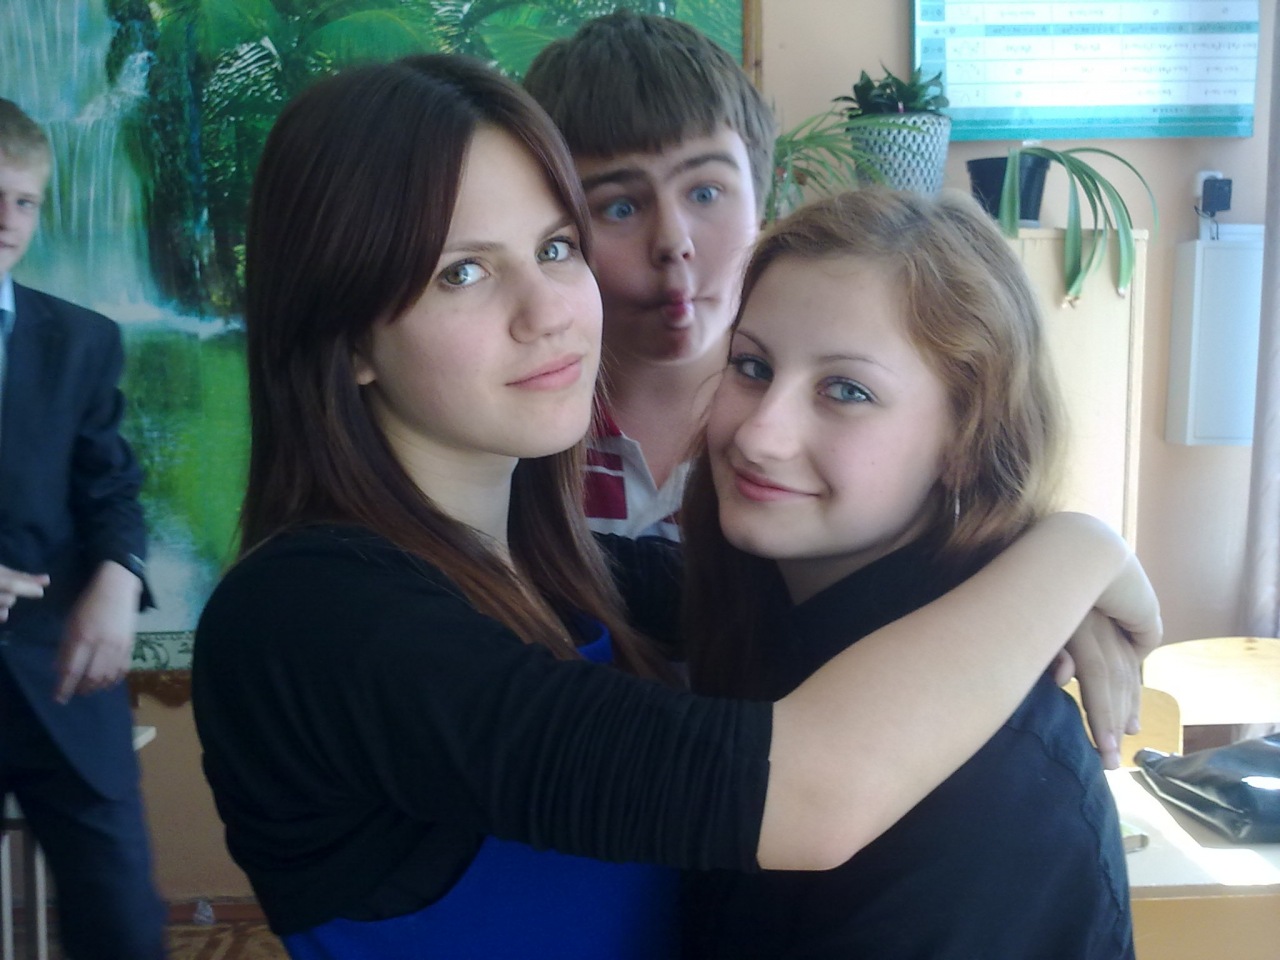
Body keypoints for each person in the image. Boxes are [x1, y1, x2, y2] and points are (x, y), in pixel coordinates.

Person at [190, 55, 1159, 959]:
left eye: (556, 247)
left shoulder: (560, 572)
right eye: (464, 272)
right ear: (347, 334)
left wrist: (1026, 573)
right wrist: (1077, 551)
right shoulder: (310, 619)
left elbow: (777, 597)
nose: (549, 309)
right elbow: (810, 790)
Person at [681, 189, 1136, 958]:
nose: (759, 435)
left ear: (965, 444)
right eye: (752, 367)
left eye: (846, 391)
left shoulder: (994, 781)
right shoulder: (744, 619)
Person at [0, 98, 165, 960]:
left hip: (60, 673)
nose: (7, 221)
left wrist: (120, 574)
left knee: (125, 929)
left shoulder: (83, 341)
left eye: (24, 201)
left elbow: (112, 489)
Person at [524, 10, 773, 539]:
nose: (672, 243)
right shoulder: (520, 438)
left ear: (761, 207)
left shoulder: (800, 427)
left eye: (705, 193)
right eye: (620, 207)